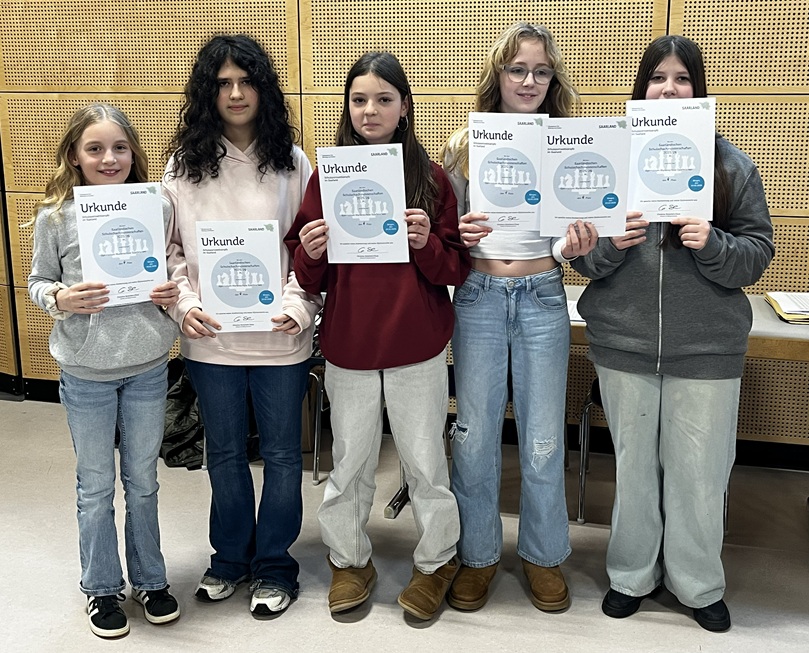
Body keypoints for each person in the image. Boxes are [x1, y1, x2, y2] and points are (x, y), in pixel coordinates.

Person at [571, 35, 774, 632]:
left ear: (697, 89)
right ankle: (631, 575)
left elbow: (756, 254)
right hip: (625, 344)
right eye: (657, 78)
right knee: (634, 470)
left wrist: (713, 244)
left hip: (707, 349)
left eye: (682, 78)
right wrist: (610, 245)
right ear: (642, 89)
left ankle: (698, 583)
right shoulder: (611, 162)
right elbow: (583, 260)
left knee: (700, 475)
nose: (669, 89)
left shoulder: (730, 166)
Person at [284, 51, 471, 621]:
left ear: (404, 107)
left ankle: (437, 561)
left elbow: (456, 268)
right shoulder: (326, 178)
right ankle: (349, 559)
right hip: (350, 344)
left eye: (384, 99)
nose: (370, 110)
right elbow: (307, 273)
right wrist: (310, 251)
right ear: (347, 107)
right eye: (359, 99)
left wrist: (427, 243)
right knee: (350, 463)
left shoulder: (431, 179)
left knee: (425, 463)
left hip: (416, 345)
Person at [162, 34, 320, 619]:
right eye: (223, 83)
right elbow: (169, 252)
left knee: (281, 456)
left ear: (263, 89)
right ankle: (229, 558)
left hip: (281, 338)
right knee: (224, 455)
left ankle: (275, 566)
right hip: (211, 340)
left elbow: (310, 251)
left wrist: (299, 306)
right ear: (208, 92)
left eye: (246, 81)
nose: (235, 93)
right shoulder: (183, 166)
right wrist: (184, 306)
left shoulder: (294, 163)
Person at [441, 23, 597, 613]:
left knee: (542, 438)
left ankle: (543, 554)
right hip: (479, 297)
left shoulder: (567, 142)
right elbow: (446, 238)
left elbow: (568, 231)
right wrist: (457, 233)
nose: (529, 81)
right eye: (517, 69)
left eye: (541, 71)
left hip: (542, 295)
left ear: (552, 79)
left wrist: (571, 246)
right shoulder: (464, 144)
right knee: (474, 435)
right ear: (498, 75)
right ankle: (478, 554)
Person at [28, 104, 181, 638]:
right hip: (86, 371)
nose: (109, 158)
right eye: (94, 148)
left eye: (119, 148)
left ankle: (151, 580)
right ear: (74, 155)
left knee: (143, 482)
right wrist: (60, 298)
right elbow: (38, 280)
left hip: (147, 366)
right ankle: (100, 587)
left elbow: (174, 268)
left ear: (134, 153)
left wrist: (171, 293)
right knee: (95, 486)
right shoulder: (54, 216)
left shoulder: (157, 206)